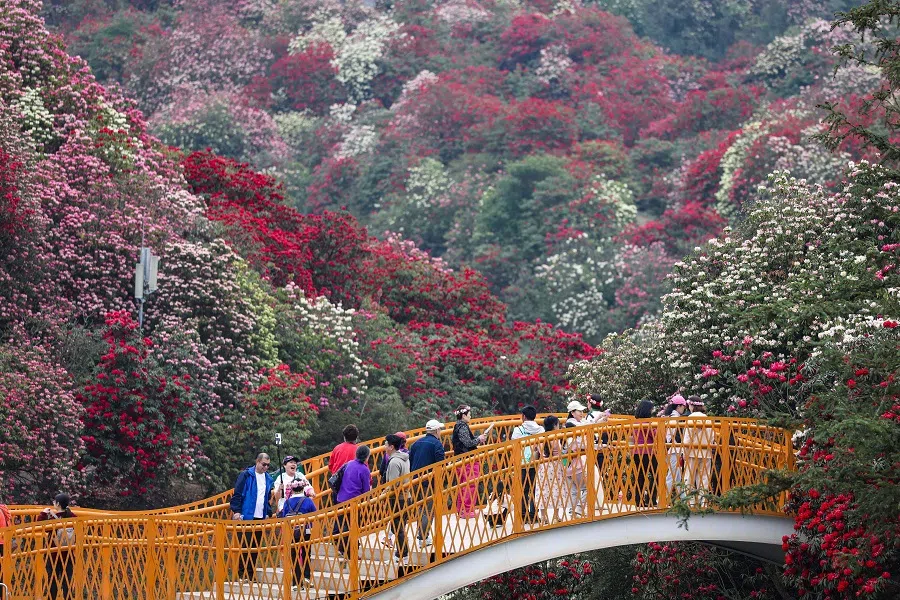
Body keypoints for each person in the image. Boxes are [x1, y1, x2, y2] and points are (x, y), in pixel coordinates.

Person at [230, 453, 275, 581]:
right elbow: (237, 494)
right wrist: (237, 511)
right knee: (245, 545)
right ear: (257, 462)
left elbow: (265, 497)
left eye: (268, 465)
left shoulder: (268, 478)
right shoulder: (246, 475)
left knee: (255, 546)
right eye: (263, 464)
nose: (265, 467)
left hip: (260, 516)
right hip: (246, 514)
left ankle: (250, 573)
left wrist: (268, 511)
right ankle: (241, 573)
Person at [408, 419, 445, 546]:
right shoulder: (437, 444)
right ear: (436, 430)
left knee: (420, 508)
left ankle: (421, 536)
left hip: (415, 480)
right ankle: (423, 538)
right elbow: (441, 464)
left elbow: (411, 461)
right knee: (428, 510)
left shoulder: (416, 443)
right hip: (428, 482)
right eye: (440, 429)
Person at [333, 445, 372, 560]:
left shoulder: (349, 464)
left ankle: (342, 548)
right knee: (353, 527)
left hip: (341, 499)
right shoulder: (364, 469)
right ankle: (351, 552)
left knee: (343, 525)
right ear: (366, 457)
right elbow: (365, 490)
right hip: (354, 502)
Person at [36, 493, 76, 600]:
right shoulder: (72, 517)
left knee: (52, 580)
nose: (53, 503)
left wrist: (43, 513)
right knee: (67, 580)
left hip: (53, 554)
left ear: (58, 504)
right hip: (68, 554)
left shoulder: (52, 518)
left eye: (54, 501)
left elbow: (39, 525)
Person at [278, 480, 317, 588]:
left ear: (292, 490)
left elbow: (284, 515)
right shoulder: (308, 501)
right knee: (306, 554)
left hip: (291, 532)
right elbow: (314, 513)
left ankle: (296, 582)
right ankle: (307, 577)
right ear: (303, 488)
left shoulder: (287, 502)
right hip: (306, 531)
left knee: (294, 555)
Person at [451, 405, 487, 518]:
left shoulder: (458, 426)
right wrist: (479, 439)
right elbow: (467, 443)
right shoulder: (462, 426)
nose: (470, 416)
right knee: (470, 485)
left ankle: (461, 510)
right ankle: (467, 510)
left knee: (463, 485)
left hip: (461, 459)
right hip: (468, 460)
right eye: (469, 414)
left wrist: (477, 439)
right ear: (463, 415)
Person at [510, 405, 544, 524]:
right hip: (536, 463)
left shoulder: (518, 430)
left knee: (524, 489)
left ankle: (523, 515)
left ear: (523, 417)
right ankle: (534, 514)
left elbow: (513, 445)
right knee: (536, 488)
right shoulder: (540, 429)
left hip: (522, 463)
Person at [382, 434, 411, 562]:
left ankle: (402, 555)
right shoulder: (404, 458)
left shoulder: (394, 462)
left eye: (386, 444)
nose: (384, 447)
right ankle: (401, 554)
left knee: (397, 528)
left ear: (391, 447)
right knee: (399, 528)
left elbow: (393, 485)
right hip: (406, 496)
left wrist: (383, 493)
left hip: (397, 499)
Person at [683, 396, 715, 504]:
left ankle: (690, 502)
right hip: (706, 452)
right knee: (704, 478)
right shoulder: (707, 418)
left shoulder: (691, 418)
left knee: (689, 477)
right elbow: (712, 437)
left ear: (692, 405)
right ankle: (703, 502)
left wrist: (685, 452)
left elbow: (687, 437)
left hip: (692, 452)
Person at [535, 415, 566, 524]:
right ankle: (556, 516)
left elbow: (537, 453)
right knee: (557, 489)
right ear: (554, 425)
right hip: (555, 465)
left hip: (543, 466)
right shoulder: (556, 437)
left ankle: (544, 517)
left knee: (544, 490)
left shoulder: (540, 438)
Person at [632, 400, 657, 508]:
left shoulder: (635, 422)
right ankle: (651, 499)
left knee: (640, 476)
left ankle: (639, 500)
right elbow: (654, 435)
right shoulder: (647, 423)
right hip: (648, 452)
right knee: (657, 474)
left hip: (637, 452)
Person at [663, 395, 688, 500]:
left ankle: (683, 499)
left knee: (677, 476)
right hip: (674, 450)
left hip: (674, 449)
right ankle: (664, 499)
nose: (684, 409)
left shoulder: (671, 416)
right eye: (683, 407)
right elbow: (671, 434)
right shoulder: (675, 417)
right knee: (672, 475)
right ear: (678, 406)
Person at [563, 420, 588, 517]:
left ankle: (572, 511)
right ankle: (578, 509)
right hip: (577, 469)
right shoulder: (574, 440)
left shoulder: (563, 440)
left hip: (567, 470)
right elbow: (587, 446)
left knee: (574, 492)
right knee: (587, 489)